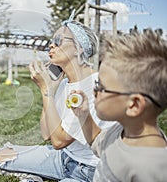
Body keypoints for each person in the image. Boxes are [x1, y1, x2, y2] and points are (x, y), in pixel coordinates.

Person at [0, 11, 114, 182]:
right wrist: (51, 89)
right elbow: (46, 134)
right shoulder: (64, 84)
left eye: (58, 41)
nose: (51, 46)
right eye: (51, 42)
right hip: (63, 157)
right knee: (2, 157)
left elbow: (58, 141)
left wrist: (46, 91)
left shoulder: (96, 86)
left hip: (89, 171)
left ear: (79, 48)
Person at [70, 30, 167, 181]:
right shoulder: (122, 130)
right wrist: (84, 115)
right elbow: (97, 140)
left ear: (134, 105)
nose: (94, 92)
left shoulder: (152, 168)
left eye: (100, 87)